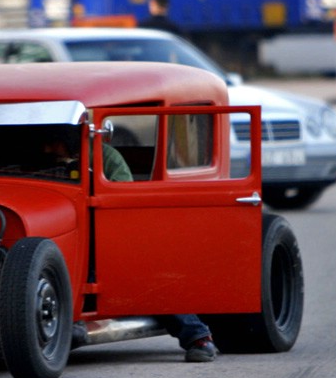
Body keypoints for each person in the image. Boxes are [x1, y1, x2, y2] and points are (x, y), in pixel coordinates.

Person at [44, 129, 218, 363]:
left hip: (102, 238)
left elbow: (122, 195)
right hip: (57, 242)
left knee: (144, 278)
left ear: (69, 140)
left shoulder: (105, 157)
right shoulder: (36, 159)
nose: (47, 149)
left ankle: (198, 337)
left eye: (53, 142)